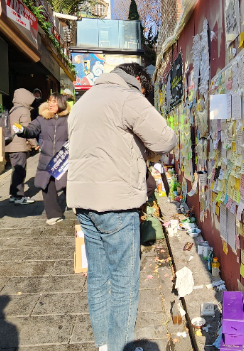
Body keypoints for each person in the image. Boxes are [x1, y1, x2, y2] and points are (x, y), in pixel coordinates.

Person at [67, 63, 177, 351]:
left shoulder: (84, 100)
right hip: (116, 202)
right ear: (139, 81)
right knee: (124, 284)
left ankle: (104, 345)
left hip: (83, 202)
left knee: (98, 278)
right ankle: (120, 347)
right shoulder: (128, 97)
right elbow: (166, 138)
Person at [12, 93, 70, 225]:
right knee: (47, 185)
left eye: (54, 102)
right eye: (49, 101)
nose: (51, 104)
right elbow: (32, 129)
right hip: (46, 159)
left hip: (64, 159)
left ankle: (77, 207)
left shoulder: (69, 118)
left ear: (61, 103)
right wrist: (22, 130)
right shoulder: (42, 118)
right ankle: (53, 214)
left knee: (68, 184)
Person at [5, 88, 38, 205]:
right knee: (20, 171)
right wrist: (35, 144)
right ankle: (19, 197)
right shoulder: (24, 111)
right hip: (19, 146)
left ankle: (13, 195)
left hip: (10, 145)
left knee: (15, 171)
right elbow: (27, 130)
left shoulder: (12, 110)